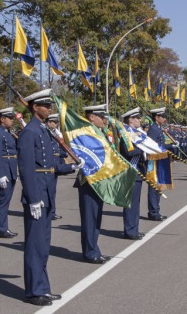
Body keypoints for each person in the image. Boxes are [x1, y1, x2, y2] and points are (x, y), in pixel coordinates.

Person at [17, 89, 81, 306]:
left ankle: (42, 287)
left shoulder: (43, 131)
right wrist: (33, 198)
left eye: (49, 106)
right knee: (35, 245)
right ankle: (34, 291)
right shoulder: (29, 133)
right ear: (35, 107)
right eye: (45, 105)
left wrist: (72, 166)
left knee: (43, 245)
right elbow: (26, 169)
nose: (49, 109)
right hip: (37, 194)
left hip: (46, 191)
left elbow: (50, 166)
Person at [75, 104, 110, 264]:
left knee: (96, 218)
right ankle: (90, 252)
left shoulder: (99, 133)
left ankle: (94, 248)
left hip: (99, 179)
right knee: (90, 218)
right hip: (89, 180)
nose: (104, 119)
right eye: (101, 116)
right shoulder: (85, 134)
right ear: (91, 117)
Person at [0, 107, 19, 238]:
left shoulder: (7, 133)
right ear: (2, 119)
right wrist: (0, 174)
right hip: (4, 171)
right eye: (10, 118)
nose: (12, 120)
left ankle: (2, 226)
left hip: (11, 170)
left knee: (6, 200)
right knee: (3, 200)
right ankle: (1, 228)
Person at [120, 107, 146, 240]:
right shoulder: (125, 134)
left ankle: (134, 229)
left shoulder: (136, 134)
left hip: (138, 172)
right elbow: (128, 152)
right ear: (130, 120)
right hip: (130, 171)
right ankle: (130, 230)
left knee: (136, 204)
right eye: (137, 118)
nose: (140, 120)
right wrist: (143, 148)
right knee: (131, 204)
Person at [146, 107, 171, 221]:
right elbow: (152, 148)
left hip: (159, 161)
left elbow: (161, 146)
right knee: (154, 187)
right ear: (156, 117)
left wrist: (170, 147)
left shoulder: (158, 128)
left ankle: (156, 210)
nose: (164, 118)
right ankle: (153, 212)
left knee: (158, 187)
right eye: (162, 116)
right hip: (154, 162)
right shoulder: (153, 130)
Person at [45, 114, 66, 221]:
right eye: (54, 122)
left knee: (53, 191)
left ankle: (52, 212)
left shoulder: (54, 133)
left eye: (57, 122)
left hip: (56, 163)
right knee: (49, 190)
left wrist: (64, 153)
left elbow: (57, 150)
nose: (56, 124)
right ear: (48, 122)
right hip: (49, 165)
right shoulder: (46, 133)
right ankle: (49, 211)